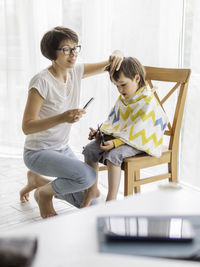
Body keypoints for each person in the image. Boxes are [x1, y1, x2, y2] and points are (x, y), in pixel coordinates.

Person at [19, 26, 123, 218]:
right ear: (52, 54)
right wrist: (63, 117)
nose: (73, 54)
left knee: (91, 202)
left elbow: (111, 63)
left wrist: (117, 54)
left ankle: (37, 181)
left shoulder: (76, 71)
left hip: (61, 148)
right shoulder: (41, 81)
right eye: (66, 49)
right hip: (37, 152)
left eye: (75, 48)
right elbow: (27, 126)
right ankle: (43, 194)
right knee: (87, 176)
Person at [81, 57, 168, 207]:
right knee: (89, 149)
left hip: (141, 141)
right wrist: (100, 133)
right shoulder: (124, 98)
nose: (120, 90)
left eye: (123, 85)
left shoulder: (147, 100)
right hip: (124, 138)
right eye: (116, 86)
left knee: (113, 155)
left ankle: (111, 199)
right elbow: (115, 122)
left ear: (136, 78)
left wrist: (115, 143)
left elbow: (141, 129)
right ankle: (92, 189)